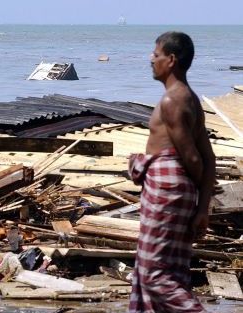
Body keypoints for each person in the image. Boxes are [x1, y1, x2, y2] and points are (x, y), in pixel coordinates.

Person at [128, 31, 215, 312]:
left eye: (156, 55)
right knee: (165, 271)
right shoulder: (189, 98)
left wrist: (198, 204)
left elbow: (194, 158)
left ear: (171, 60)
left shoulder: (172, 101)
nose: (151, 60)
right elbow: (209, 159)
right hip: (177, 194)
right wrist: (202, 207)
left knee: (154, 274)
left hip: (168, 193)